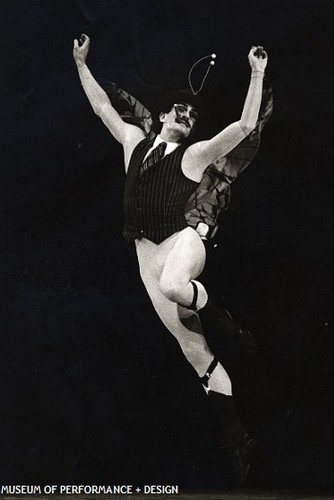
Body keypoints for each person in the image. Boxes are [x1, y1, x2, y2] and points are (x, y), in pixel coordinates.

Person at [73, 33, 268, 484]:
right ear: (162, 116)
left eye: (193, 114)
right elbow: (103, 106)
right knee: (195, 354)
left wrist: (257, 73)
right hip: (147, 258)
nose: (187, 115)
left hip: (184, 244)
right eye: (180, 110)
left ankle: (227, 321)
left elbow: (243, 127)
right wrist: (81, 63)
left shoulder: (195, 156)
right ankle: (238, 440)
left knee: (175, 286)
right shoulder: (133, 143)